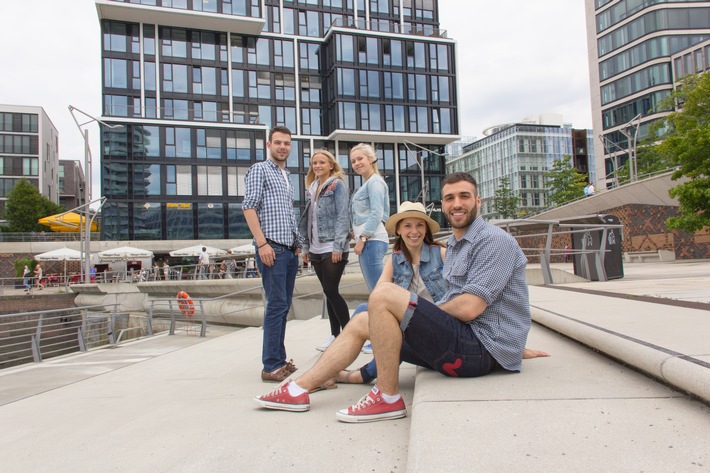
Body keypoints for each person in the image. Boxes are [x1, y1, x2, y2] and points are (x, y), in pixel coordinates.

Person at [255, 173, 535, 422]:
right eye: (449, 198)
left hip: (479, 350)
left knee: (386, 294)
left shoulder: (494, 240)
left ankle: (388, 397)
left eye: (464, 196)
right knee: (364, 319)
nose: (456, 204)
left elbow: (472, 307)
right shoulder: (456, 244)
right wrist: (418, 317)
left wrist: (417, 314)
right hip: (463, 341)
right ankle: (299, 388)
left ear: (478, 200)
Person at [243, 125, 302, 383]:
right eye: (277, 142)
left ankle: (279, 359)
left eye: (286, 143)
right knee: (276, 306)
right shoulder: (260, 169)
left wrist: (297, 243)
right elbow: (249, 207)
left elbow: (287, 214)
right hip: (272, 248)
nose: (282, 147)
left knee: (283, 305)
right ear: (269, 144)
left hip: (288, 249)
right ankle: (271, 365)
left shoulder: (286, 175)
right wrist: (262, 243)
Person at [298, 149, 351, 352]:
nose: (317, 166)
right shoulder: (313, 187)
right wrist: (305, 247)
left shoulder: (337, 185)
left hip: (332, 245)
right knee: (328, 292)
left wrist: (339, 245)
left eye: (322, 162)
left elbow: (342, 216)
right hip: (315, 246)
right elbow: (309, 218)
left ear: (331, 165)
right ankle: (335, 335)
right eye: (314, 163)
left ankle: (349, 334)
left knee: (331, 289)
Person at [349, 143, 390, 355]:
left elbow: (377, 214)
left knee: (378, 294)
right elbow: (383, 213)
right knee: (376, 292)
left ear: (371, 158)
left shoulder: (374, 182)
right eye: (353, 161)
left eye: (360, 159)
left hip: (372, 241)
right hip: (370, 240)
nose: (356, 163)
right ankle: (378, 335)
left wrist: (362, 238)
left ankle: (379, 337)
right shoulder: (369, 183)